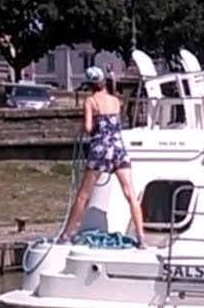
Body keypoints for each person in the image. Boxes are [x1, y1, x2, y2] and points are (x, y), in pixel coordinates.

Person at [59, 66, 147, 247]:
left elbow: (89, 128)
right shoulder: (116, 101)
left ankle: (67, 235)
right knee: (130, 194)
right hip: (118, 148)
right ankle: (141, 238)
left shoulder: (90, 102)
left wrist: (83, 127)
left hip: (100, 149)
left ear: (90, 85)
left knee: (83, 195)